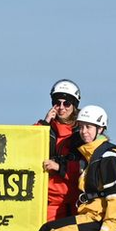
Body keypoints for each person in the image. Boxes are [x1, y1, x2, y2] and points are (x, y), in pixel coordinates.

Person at [35, 105, 116, 231]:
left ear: (100, 129)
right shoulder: (91, 155)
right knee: (49, 228)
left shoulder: (108, 157)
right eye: (81, 127)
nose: (84, 132)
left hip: (103, 219)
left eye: (88, 127)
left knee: (49, 230)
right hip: (94, 215)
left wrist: (107, 229)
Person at [37, 79, 83, 221]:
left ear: (74, 105)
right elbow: (28, 145)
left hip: (75, 200)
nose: (61, 107)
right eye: (57, 103)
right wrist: (45, 123)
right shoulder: (44, 128)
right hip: (48, 200)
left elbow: (88, 166)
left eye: (66, 103)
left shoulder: (83, 131)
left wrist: (59, 167)